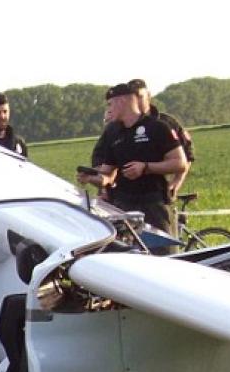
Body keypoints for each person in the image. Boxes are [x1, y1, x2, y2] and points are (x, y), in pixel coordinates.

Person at [77, 84, 187, 253]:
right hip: (124, 206)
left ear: (122, 101)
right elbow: (108, 174)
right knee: (131, 256)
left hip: (153, 204)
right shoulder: (114, 133)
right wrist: (91, 177)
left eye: (111, 104)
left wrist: (146, 168)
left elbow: (179, 163)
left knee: (164, 255)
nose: (109, 109)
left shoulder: (157, 127)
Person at [127, 78, 195, 200]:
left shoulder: (167, 123)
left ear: (148, 96)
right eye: (132, 99)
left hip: (159, 193)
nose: (136, 102)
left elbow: (187, 155)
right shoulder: (121, 127)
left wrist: (176, 181)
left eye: (140, 97)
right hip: (128, 194)